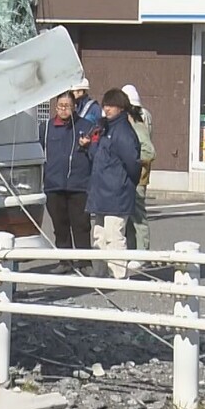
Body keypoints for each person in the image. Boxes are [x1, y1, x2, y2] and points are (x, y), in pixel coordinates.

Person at [81, 88, 141, 279]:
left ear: (121, 108)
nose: (107, 109)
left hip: (117, 192)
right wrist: (90, 144)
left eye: (111, 105)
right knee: (99, 234)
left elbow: (133, 163)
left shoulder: (123, 131)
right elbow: (96, 155)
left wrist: (126, 183)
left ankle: (118, 275)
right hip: (101, 191)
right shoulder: (104, 128)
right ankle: (100, 271)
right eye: (105, 104)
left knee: (114, 235)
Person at [41, 91, 96, 274]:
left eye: (67, 106)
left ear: (74, 107)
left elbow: (96, 152)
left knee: (81, 224)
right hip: (53, 184)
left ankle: (85, 262)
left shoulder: (86, 126)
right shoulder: (46, 128)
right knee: (60, 224)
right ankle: (65, 261)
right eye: (60, 106)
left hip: (79, 184)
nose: (63, 110)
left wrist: (88, 145)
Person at [122, 84, 154, 257]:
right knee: (131, 212)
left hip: (138, 172)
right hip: (138, 172)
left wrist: (133, 160)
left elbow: (147, 149)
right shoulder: (145, 114)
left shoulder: (138, 118)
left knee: (137, 213)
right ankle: (135, 250)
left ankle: (142, 251)